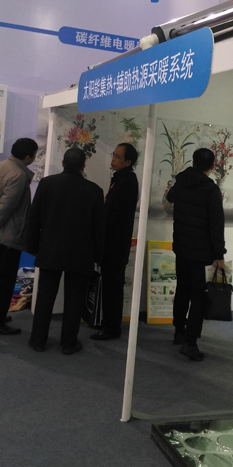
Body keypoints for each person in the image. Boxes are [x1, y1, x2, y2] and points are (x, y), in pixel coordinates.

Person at [28, 148, 104, 354]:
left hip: (50, 249)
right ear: (83, 166)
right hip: (80, 253)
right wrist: (98, 256)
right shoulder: (94, 191)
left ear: (62, 163)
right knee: (74, 299)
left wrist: (33, 247)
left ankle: (38, 340)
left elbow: (34, 218)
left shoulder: (46, 184)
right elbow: (99, 228)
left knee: (45, 297)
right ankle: (69, 343)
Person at [166, 148, 226, 361]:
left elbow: (170, 197)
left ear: (193, 162)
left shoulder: (181, 181)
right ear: (212, 166)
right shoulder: (211, 190)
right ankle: (190, 342)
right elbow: (216, 225)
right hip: (202, 253)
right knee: (199, 296)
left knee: (182, 289)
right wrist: (220, 255)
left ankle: (179, 331)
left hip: (181, 247)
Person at [0, 137, 38, 336]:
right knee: (4, 282)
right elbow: (3, 209)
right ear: (28, 156)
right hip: (7, 237)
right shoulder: (18, 175)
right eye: (34, 155)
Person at [91, 143, 140, 341]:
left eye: (118, 157)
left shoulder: (128, 181)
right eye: (114, 154)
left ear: (128, 162)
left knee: (113, 285)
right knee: (110, 284)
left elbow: (119, 216)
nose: (113, 159)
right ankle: (108, 322)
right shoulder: (120, 178)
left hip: (115, 244)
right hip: (111, 242)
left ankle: (112, 327)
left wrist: (104, 228)